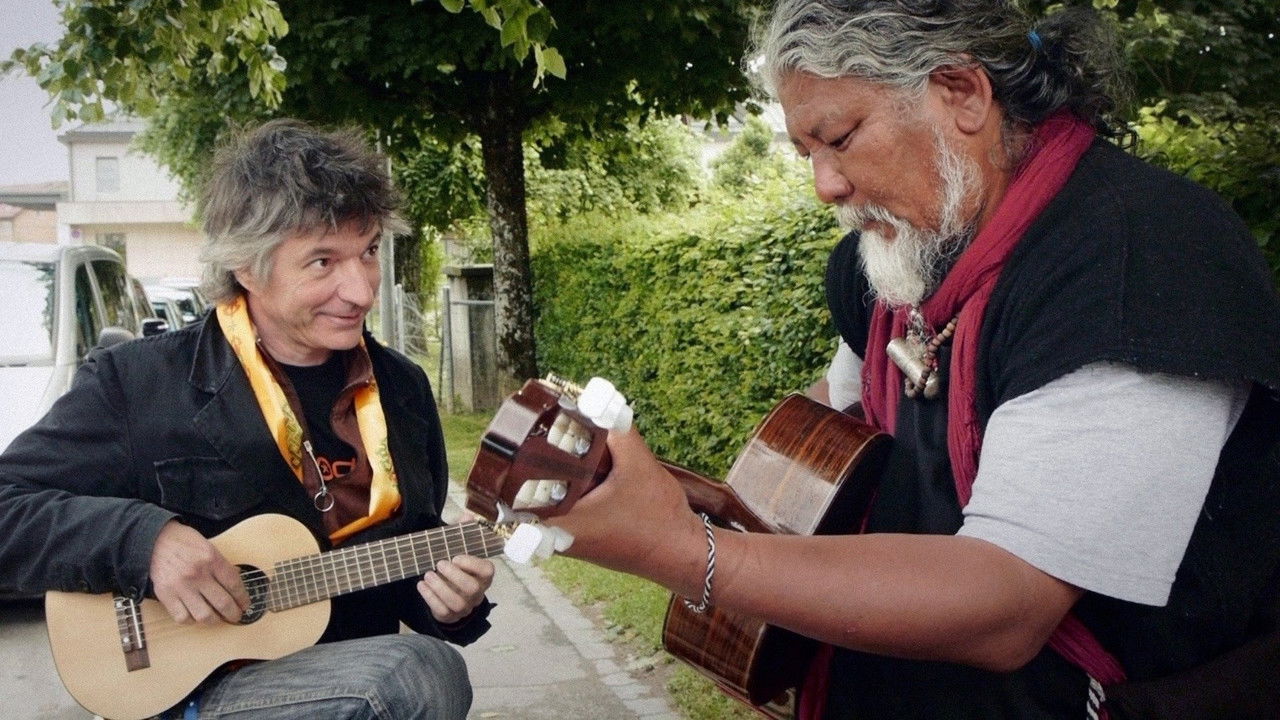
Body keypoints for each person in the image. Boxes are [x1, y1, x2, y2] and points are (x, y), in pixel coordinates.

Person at [548, 1, 1280, 718]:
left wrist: (683, 551)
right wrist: (653, 492)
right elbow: (828, 443)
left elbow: (1006, 604)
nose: (824, 186)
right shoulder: (899, 256)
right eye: (807, 153)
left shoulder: (1139, 255)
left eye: (840, 136)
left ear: (961, 93)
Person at [0, 119, 493, 719]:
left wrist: (450, 605)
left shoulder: (403, 392)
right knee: (417, 673)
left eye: (367, 252)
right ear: (247, 267)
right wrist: (144, 541)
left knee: (416, 668)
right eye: (322, 262)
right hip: (189, 693)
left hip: (344, 685)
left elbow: (402, 564)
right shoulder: (137, 382)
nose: (361, 290)